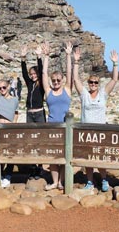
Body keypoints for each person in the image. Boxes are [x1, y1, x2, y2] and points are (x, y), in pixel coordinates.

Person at [73, 47, 119, 192]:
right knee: (88, 159)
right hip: (86, 132)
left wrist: (115, 64)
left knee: (100, 158)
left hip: (100, 132)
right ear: (88, 83)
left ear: (99, 84)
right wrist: (75, 61)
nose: (93, 85)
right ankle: (90, 181)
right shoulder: (84, 95)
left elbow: (114, 79)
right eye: (91, 82)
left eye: (95, 83)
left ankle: (104, 179)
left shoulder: (103, 95)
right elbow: (75, 79)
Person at [42, 41, 72, 190]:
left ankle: (61, 181)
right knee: (53, 156)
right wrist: (46, 57)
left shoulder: (67, 89)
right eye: (53, 80)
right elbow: (43, 74)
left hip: (66, 127)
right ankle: (55, 182)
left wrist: (68, 55)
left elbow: (70, 72)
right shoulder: (49, 92)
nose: (55, 82)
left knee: (65, 156)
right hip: (52, 127)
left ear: (62, 80)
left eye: (58, 80)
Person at [0, 41, 19, 188]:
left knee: (10, 152)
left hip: (9, 128)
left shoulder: (14, 99)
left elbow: (17, 113)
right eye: (0, 88)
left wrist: (13, 123)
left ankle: (8, 175)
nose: (1, 89)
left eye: (4, 87)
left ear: (8, 87)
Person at [21, 44, 46, 180]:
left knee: (40, 140)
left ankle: (40, 167)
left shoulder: (41, 83)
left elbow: (42, 71)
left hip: (39, 113)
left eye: (34, 73)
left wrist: (39, 57)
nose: (32, 76)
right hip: (30, 114)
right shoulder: (30, 83)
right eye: (31, 74)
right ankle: (32, 168)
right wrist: (23, 58)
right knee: (30, 140)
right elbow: (24, 73)